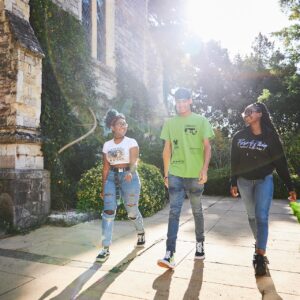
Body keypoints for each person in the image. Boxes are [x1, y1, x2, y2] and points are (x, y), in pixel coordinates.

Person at [230, 102, 297, 276]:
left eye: (249, 111)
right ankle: (260, 243)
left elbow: (280, 163)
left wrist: (290, 186)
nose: (246, 114)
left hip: (264, 181)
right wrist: (233, 182)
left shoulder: (271, 137)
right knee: (252, 216)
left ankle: (259, 255)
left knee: (261, 216)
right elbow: (234, 162)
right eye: (244, 112)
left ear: (259, 114)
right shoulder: (238, 136)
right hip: (244, 182)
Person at [157, 88, 214, 269]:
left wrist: (204, 169)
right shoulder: (170, 123)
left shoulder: (201, 120)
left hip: (195, 175)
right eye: (177, 101)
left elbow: (207, 148)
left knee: (197, 211)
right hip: (175, 173)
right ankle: (169, 253)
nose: (180, 104)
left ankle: (200, 244)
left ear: (190, 100)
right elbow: (167, 150)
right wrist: (166, 173)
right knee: (174, 212)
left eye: (183, 101)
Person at [96, 109, 145, 262]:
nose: (123, 126)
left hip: (128, 177)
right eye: (120, 124)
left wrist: (131, 171)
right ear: (112, 127)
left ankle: (140, 231)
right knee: (108, 211)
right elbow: (105, 168)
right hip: (111, 177)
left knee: (131, 210)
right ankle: (105, 248)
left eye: (125, 124)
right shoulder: (107, 145)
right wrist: (103, 186)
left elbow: (134, 161)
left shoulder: (131, 142)